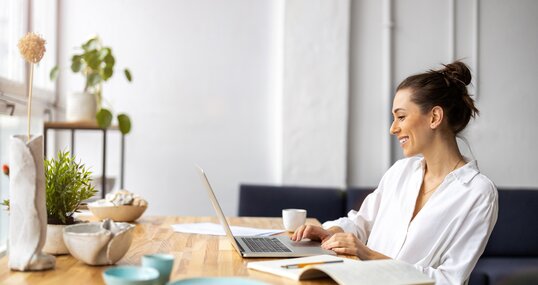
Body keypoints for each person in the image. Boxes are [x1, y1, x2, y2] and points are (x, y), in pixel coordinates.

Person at [291, 61, 498, 284]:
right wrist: (331, 232)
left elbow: (449, 279)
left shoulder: (478, 193)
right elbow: (362, 222)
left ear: (435, 117)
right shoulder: (401, 171)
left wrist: (368, 255)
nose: (393, 128)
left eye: (401, 117)